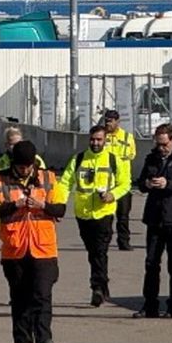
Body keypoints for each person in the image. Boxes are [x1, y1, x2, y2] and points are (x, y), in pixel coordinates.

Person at [0, 141, 66, 343]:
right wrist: (15, 205)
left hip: (44, 249)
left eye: (28, 166)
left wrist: (43, 206)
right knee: (20, 301)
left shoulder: (47, 178)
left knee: (42, 295)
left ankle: (44, 340)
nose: (24, 170)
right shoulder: (0, 180)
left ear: (33, 164)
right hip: (15, 250)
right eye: (20, 166)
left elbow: (60, 209)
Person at [56, 124, 130, 307]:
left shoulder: (113, 160)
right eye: (93, 139)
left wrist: (113, 195)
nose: (95, 143)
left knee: (99, 251)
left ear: (105, 140)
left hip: (103, 213)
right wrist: (59, 205)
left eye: (99, 139)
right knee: (93, 253)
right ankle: (103, 286)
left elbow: (125, 183)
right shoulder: (79, 159)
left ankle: (96, 287)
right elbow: (65, 183)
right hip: (83, 214)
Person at [133, 123, 172, 319]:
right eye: (158, 144)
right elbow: (141, 183)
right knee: (151, 263)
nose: (161, 148)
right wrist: (147, 183)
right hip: (154, 217)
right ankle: (150, 304)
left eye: (164, 144)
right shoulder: (151, 158)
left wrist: (168, 184)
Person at [101, 110, 137, 251]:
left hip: (122, 183)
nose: (108, 123)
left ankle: (124, 241)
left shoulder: (127, 137)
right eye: (106, 121)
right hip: (105, 182)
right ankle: (104, 241)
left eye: (110, 121)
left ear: (117, 121)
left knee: (123, 215)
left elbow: (131, 155)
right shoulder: (101, 136)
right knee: (105, 214)